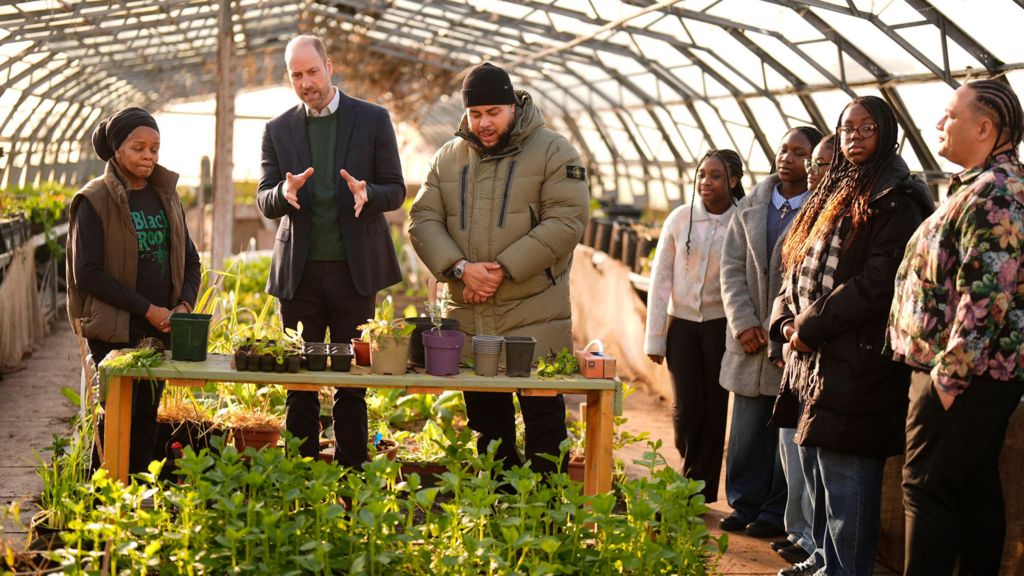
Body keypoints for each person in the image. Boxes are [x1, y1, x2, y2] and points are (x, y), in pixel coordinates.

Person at [769, 95, 934, 576]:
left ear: (887, 132)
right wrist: (785, 321)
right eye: (846, 130)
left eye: (867, 128)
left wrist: (810, 327)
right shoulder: (836, 191)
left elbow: (877, 283)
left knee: (847, 479)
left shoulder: (896, 199)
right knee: (820, 471)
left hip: (858, 363)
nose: (854, 138)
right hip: (815, 360)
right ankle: (822, 559)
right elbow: (795, 265)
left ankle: (844, 569)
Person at [409, 62, 589, 477]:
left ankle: (546, 515)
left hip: (535, 315)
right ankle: (499, 511)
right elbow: (422, 220)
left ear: (513, 105)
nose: (484, 123)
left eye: (493, 112)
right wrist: (459, 268)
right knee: (488, 427)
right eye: (476, 114)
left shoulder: (554, 151)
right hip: (471, 316)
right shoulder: (448, 157)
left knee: (544, 422)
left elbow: (566, 222)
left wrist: (500, 270)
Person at [889, 79, 1024, 576]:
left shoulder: (997, 193)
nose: (938, 124)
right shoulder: (979, 186)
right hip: (972, 374)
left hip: (962, 375)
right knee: (970, 488)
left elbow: (986, 297)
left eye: (949, 115)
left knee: (926, 489)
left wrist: (947, 381)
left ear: (985, 127)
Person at [257, 35, 406, 465]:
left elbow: (395, 189)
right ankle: (299, 480)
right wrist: (284, 192)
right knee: (299, 386)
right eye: (296, 75)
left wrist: (368, 194)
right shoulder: (277, 129)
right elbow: (264, 199)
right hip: (298, 276)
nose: (306, 82)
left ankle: (351, 482)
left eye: (312, 71)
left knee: (351, 386)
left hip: (354, 274)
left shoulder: (373, 120)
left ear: (330, 65)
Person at [67, 107, 202, 474]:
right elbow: (88, 273)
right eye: (139, 147)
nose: (149, 156)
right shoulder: (94, 200)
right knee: (115, 418)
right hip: (116, 330)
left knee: (146, 417)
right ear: (117, 150)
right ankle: (102, 508)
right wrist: (147, 309)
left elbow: (191, 261)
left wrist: (184, 307)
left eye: (155, 148)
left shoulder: (166, 196)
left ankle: (137, 501)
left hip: (161, 328)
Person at [719, 127, 822, 552]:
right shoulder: (751, 207)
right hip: (749, 340)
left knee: (783, 431)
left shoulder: (818, 210)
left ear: (814, 163)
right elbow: (730, 269)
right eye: (784, 149)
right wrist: (743, 322)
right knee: (744, 432)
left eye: (800, 153)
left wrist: (782, 329)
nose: (788, 158)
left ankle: (773, 511)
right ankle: (743, 504)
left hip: (786, 340)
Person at [645, 149, 745, 503]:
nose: (706, 182)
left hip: (721, 327)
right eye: (702, 174)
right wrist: (655, 338)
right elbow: (659, 280)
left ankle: (697, 490)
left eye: (715, 175)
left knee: (715, 407)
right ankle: (689, 464)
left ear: (733, 181)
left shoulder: (742, 220)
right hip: (682, 326)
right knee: (686, 409)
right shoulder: (680, 218)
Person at [773, 134, 834, 576]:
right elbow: (788, 280)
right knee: (795, 453)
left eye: (819, 162)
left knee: (818, 460)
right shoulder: (811, 215)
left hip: (823, 356)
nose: (811, 169)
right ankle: (806, 540)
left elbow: (851, 289)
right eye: (810, 162)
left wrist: (805, 330)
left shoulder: (854, 216)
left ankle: (817, 546)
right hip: (796, 353)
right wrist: (785, 326)